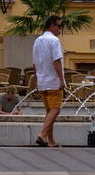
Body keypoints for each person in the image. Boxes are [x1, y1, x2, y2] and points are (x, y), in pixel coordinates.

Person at [30, 14, 66, 148]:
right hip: (53, 81)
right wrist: (61, 80)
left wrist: (37, 78)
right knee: (55, 110)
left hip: (42, 81)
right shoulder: (54, 41)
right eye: (59, 26)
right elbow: (56, 61)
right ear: (52, 26)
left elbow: (34, 63)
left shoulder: (37, 41)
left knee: (49, 111)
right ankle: (42, 135)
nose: (60, 29)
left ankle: (50, 141)